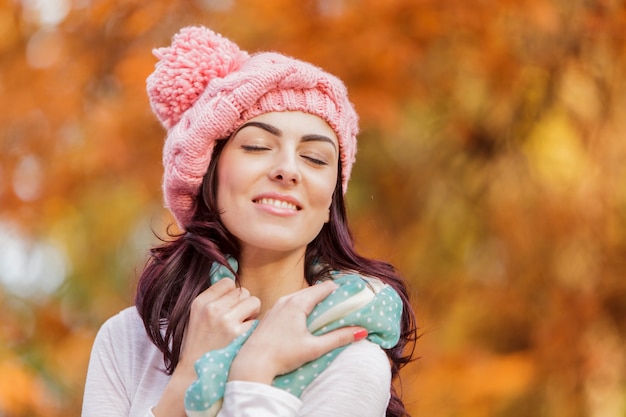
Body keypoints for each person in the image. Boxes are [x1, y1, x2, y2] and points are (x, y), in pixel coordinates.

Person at [82, 26, 417, 417]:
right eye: (257, 146)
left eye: (315, 159)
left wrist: (253, 375)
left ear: (329, 203)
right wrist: (188, 376)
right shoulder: (129, 341)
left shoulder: (350, 356)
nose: (288, 170)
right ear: (210, 173)